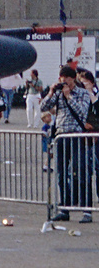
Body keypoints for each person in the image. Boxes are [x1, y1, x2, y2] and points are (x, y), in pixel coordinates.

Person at [42, 66, 94, 222]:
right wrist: (51, 93)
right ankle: (64, 208)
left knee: (81, 173)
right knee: (61, 174)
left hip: (77, 136)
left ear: (73, 79)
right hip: (61, 136)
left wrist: (69, 96)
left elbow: (82, 112)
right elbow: (43, 107)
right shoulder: (58, 93)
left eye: (66, 78)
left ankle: (87, 210)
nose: (63, 81)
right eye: (61, 78)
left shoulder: (83, 93)